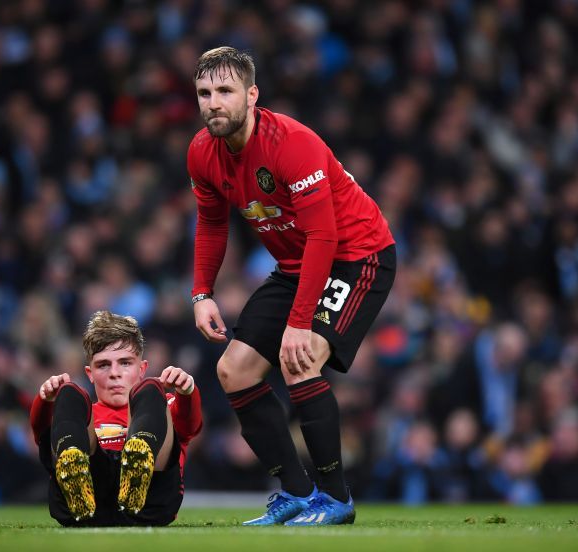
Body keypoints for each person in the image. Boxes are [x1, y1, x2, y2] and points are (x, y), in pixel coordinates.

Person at [187, 47, 396, 526]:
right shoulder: (202, 152)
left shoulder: (291, 144)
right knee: (234, 371)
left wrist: (300, 324)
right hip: (297, 264)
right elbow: (212, 223)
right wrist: (202, 294)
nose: (214, 103)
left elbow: (325, 235)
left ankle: (336, 498)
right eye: (204, 93)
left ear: (252, 95)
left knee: (297, 358)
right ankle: (298, 493)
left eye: (225, 91)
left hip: (356, 255)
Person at [29, 310, 202, 527]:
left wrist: (187, 392)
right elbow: (42, 436)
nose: (114, 373)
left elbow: (190, 426)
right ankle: (75, 474)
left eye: (125, 363)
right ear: (89, 373)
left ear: (142, 368)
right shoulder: (81, 416)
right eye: (103, 365)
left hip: (148, 504)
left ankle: (139, 458)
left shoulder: (163, 404)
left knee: (150, 388)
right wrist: (45, 399)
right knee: (70, 392)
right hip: (83, 505)